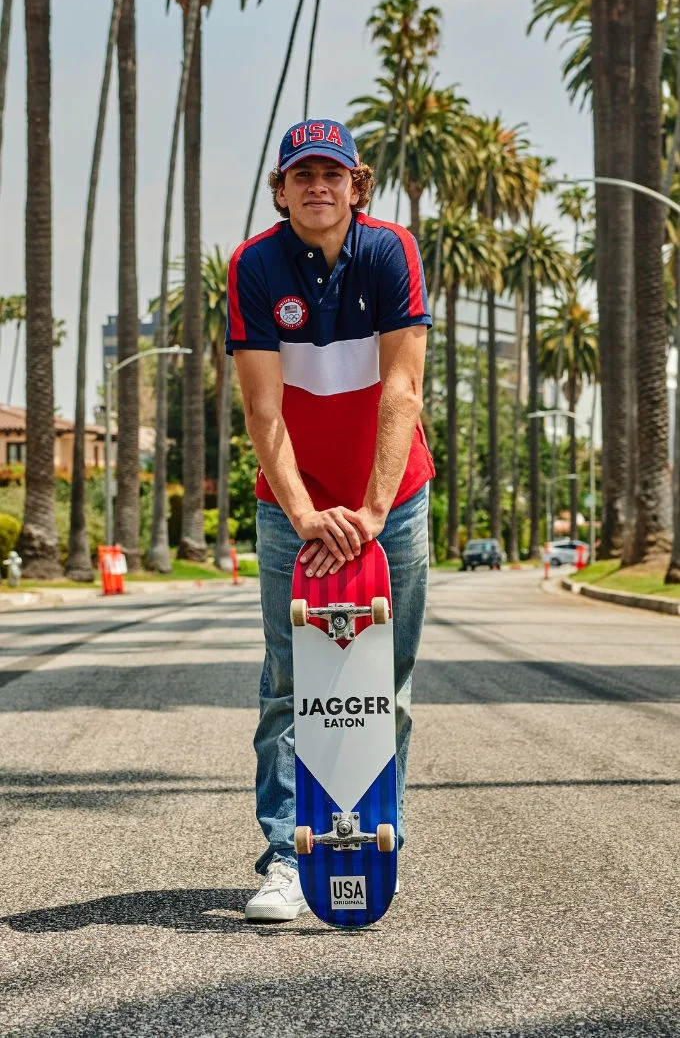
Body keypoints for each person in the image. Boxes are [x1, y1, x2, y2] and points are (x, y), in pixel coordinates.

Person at [226, 118, 434, 922]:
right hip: (293, 503)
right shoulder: (254, 265)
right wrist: (308, 512)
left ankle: (380, 838)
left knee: (388, 681)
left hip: (395, 498)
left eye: (333, 173)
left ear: (357, 186)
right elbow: (262, 406)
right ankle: (286, 854)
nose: (318, 185)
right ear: (280, 191)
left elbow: (402, 389)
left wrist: (375, 510)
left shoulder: (390, 253)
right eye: (302, 174)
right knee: (289, 683)